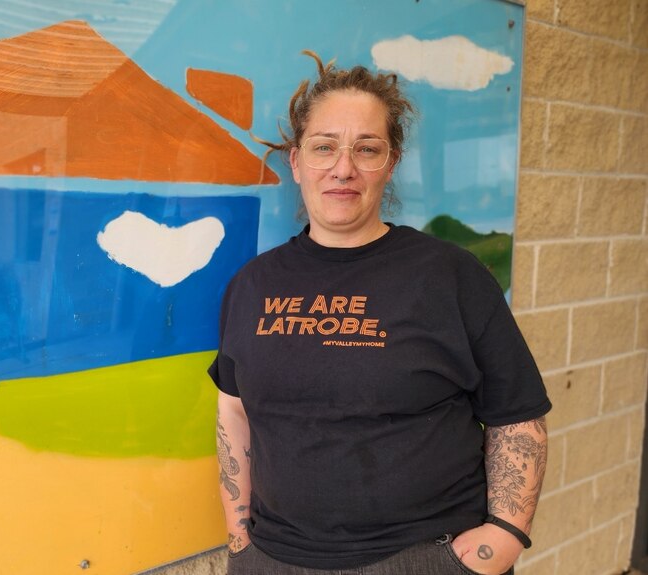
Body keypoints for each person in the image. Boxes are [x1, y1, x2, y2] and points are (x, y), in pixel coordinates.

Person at [208, 51, 551, 575]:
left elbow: (517, 413)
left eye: (366, 149)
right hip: (274, 558)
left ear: (389, 163)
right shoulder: (252, 285)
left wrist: (501, 538)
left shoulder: (451, 276)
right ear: (297, 161)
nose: (343, 168)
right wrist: (239, 539)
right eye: (325, 147)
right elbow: (233, 411)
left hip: (424, 556)